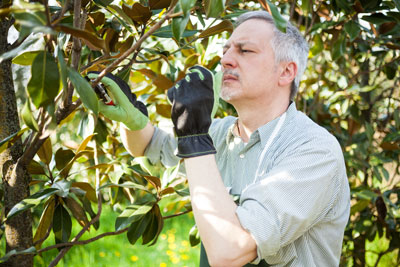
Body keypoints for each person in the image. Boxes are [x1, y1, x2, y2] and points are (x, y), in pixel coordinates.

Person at [87, 10, 350, 267]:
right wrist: (133, 119)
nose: (225, 60)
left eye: (244, 51)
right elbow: (149, 146)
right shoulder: (219, 133)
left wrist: (194, 137)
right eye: (226, 50)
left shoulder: (314, 150)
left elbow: (229, 252)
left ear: (285, 72)